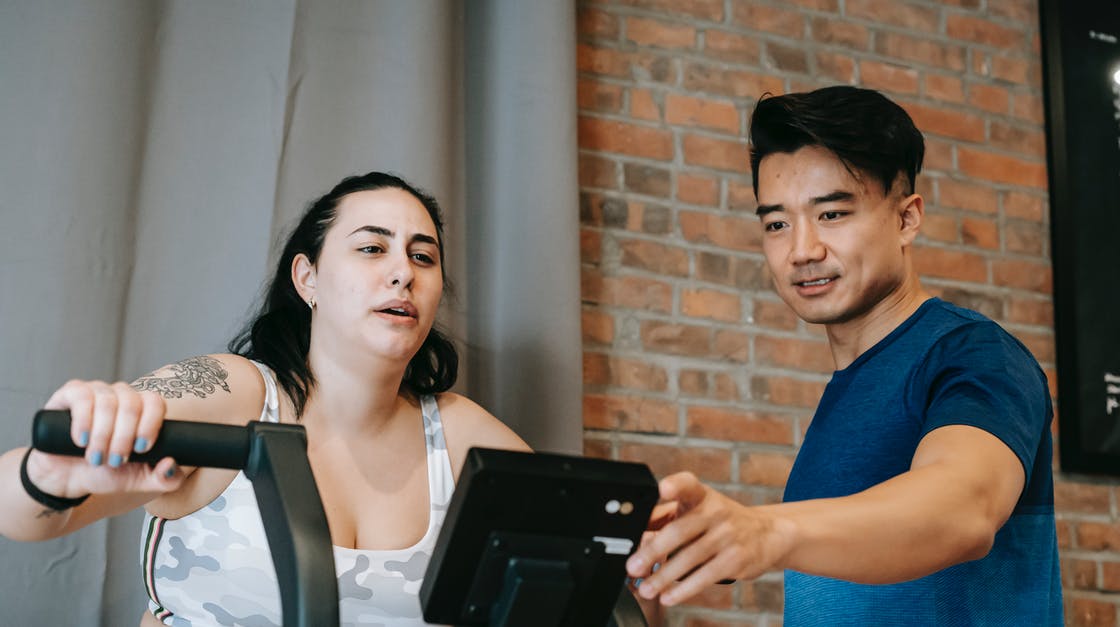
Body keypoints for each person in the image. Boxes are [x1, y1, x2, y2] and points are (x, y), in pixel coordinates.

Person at [0, 172, 529, 626]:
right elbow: (17, 509)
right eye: (372, 247)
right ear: (308, 279)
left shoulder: (460, 434)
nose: (403, 272)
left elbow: (591, 543)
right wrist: (53, 476)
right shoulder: (232, 392)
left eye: (423, 256)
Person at [626, 86, 1063, 624]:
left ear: (906, 219)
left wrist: (767, 529)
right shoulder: (851, 389)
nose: (802, 250)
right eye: (777, 224)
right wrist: (648, 587)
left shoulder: (976, 355)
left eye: (831, 215)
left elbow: (964, 509)